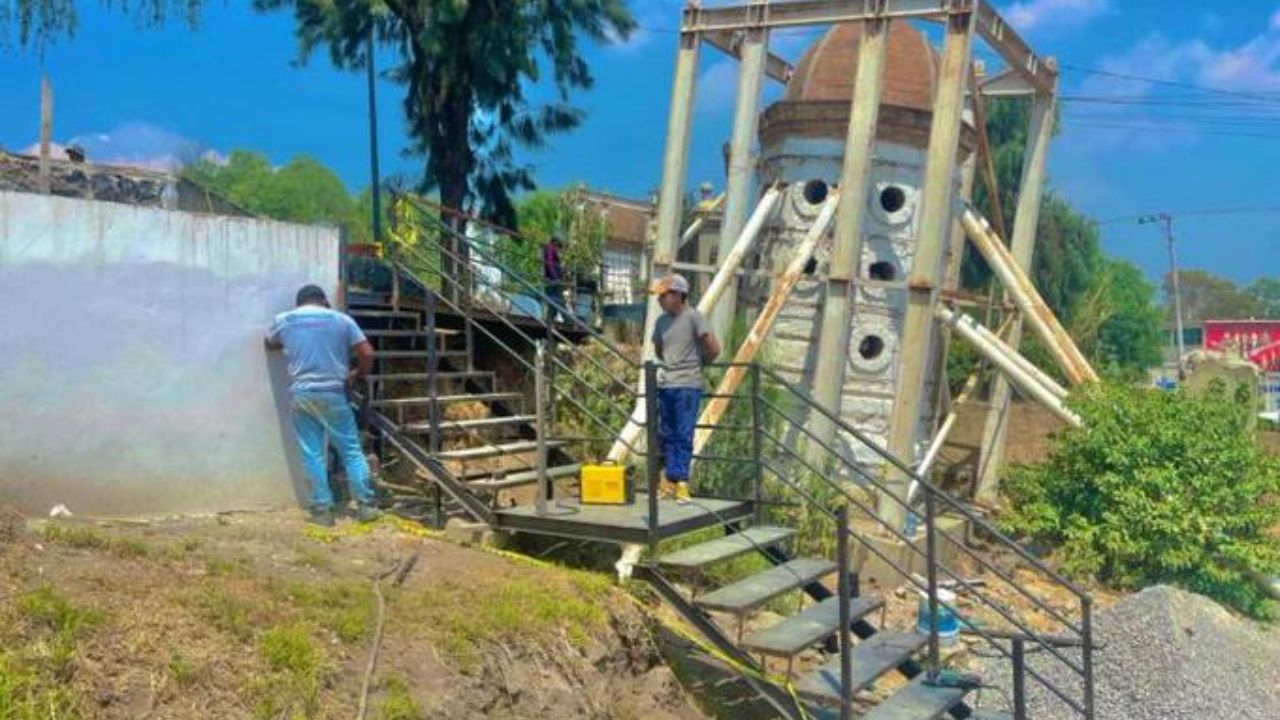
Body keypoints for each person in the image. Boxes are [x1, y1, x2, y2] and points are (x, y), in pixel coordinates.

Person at [265, 284, 379, 526]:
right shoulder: (342, 320)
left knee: (312, 453)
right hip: (334, 393)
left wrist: (292, 342)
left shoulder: (284, 320)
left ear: (300, 303)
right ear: (324, 301)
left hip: (303, 395)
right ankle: (366, 506)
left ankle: (323, 510)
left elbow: (269, 343)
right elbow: (367, 353)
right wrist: (357, 374)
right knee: (351, 451)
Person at [652, 274, 720, 504]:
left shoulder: (694, 318)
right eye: (659, 297)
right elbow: (660, 348)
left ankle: (682, 481)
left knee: (683, 432)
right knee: (666, 432)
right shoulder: (661, 322)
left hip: (688, 384)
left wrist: (698, 364)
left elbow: (713, 347)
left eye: (664, 296)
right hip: (667, 383)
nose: (660, 301)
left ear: (679, 295)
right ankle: (670, 480)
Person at [543, 232, 568, 323]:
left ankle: (549, 322)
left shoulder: (550, 248)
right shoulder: (549, 248)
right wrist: (555, 277)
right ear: (556, 241)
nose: (559, 247)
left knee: (553, 304)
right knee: (559, 301)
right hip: (552, 280)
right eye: (559, 244)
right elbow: (549, 263)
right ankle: (568, 320)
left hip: (553, 279)